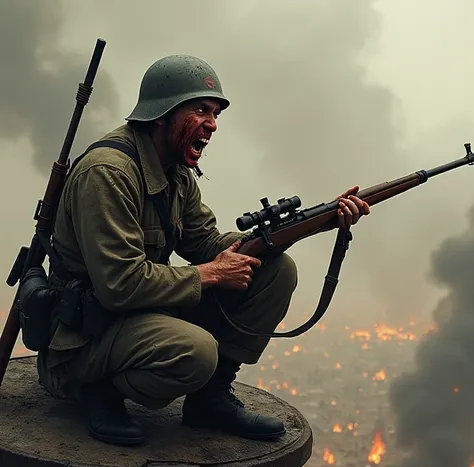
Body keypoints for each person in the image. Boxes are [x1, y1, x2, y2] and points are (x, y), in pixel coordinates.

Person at [37, 55, 370, 446]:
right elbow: (120, 284)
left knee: (276, 270)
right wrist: (212, 273)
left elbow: (206, 243)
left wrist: (304, 227)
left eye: (214, 113)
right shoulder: (109, 173)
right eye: (200, 110)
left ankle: (210, 399)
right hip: (85, 337)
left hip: (135, 316)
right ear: (162, 114)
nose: (212, 124)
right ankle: (99, 390)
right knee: (197, 353)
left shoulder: (174, 170)